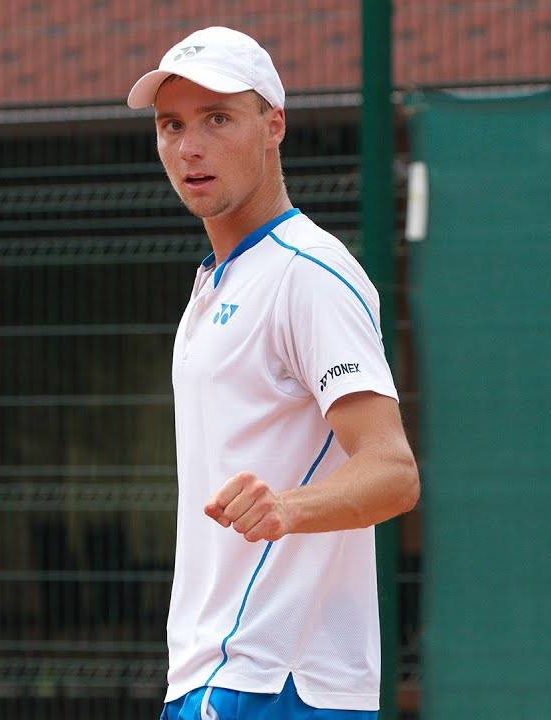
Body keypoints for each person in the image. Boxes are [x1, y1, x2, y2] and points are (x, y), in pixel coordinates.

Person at [127, 26, 420, 720]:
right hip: (214, 675)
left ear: (273, 125)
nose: (190, 147)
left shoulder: (308, 274)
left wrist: (287, 509)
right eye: (172, 125)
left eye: (217, 118)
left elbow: (393, 471)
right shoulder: (215, 283)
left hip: (277, 681)